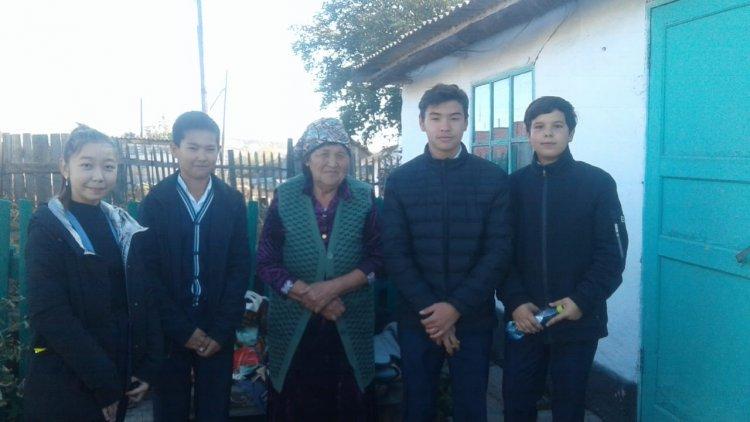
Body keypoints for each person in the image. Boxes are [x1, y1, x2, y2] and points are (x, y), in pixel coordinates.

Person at [382, 84, 511, 421]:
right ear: (422, 122)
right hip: (418, 319)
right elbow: (394, 251)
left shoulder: (492, 179)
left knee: (471, 406)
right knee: (417, 405)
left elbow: (498, 250)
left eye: (454, 118)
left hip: (473, 318)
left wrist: (455, 308)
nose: (445, 126)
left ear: (466, 121)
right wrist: (434, 314)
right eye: (436, 117)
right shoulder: (401, 180)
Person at [500, 96, 628, 421]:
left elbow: (612, 254)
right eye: (539, 126)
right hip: (525, 318)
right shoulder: (512, 187)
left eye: (557, 126)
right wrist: (515, 300)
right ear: (528, 133)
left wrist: (581, 301)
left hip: (577, 321)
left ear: (570, 132)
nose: (548, 133)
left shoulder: (597, 183)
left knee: (569, 406)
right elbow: (500, 252)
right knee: (516, 402)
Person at [23, 125, 162, 422]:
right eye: (87, 165)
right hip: (66, 381)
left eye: (108, 167)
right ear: (65, 168)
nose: (99, 176)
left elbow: (141, 299)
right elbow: (49, 313)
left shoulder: (122, 225)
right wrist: (103, 383)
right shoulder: (48, 226)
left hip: (118, 374)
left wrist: (146, 367)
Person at [257, 118, 382, 421]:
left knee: (348, 404)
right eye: (323, 153)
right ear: (307, 159)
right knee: (295, 404)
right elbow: (266, 261)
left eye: (340, 154)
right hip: (294, 323)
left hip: (349, 318)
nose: (332, 162)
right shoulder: (286, 196)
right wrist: (310, 296)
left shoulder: (363, 196)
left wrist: (332, 289)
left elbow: (379, 257)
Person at [138, 111, 251, 421]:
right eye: (193, 147)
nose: (202, 156)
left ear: (218, 150)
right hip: (170, 330)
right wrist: (181, 329)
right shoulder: (156, 202)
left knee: (214, 409)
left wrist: (221, 329)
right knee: (170, 409)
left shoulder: (231, 201)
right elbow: (147, 271)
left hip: (217, 328)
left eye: (210, 148)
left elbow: (239, 266)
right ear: (175, 149)